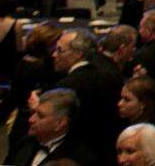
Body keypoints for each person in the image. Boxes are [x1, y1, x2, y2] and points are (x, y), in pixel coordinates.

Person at [52, 27, 123, 161]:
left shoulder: (66, 86)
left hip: (74, 156)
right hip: (106, 153)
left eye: (60, 50)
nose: (54, 55)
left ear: (78, 54)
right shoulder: (108, 75)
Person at [6, 87, 96, 166]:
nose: (31, 119)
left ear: (60, 123)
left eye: (40, 116)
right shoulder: (24, 142)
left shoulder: (80, 158)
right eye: (34, 112)